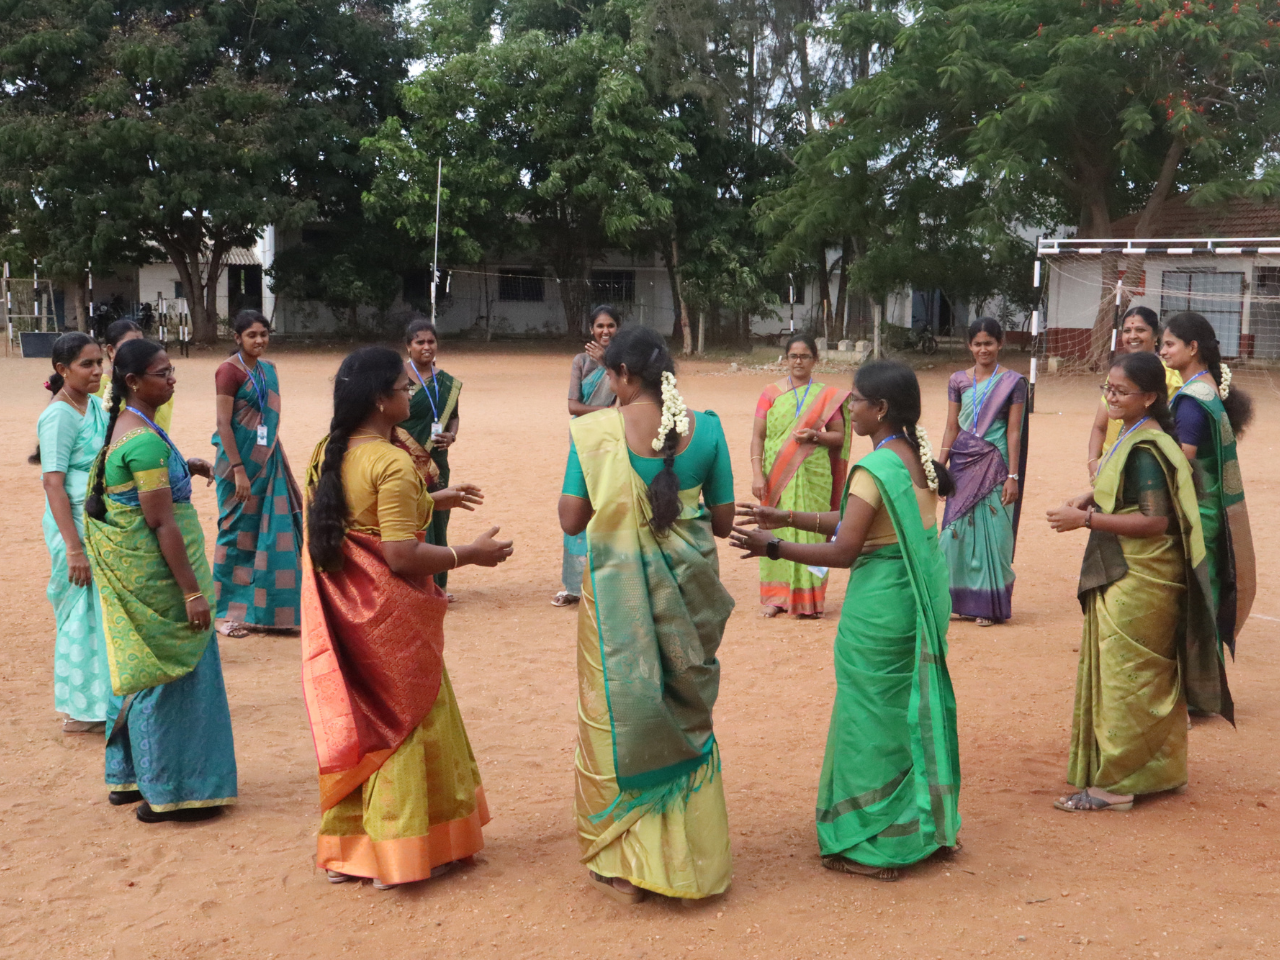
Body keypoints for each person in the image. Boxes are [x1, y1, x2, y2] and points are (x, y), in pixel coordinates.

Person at [732, 360, 960, 881]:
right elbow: (860, 520)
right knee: (903, 711)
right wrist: (787, 516)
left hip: (879, 610)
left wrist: (773, 546)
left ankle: (870, 841)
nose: (848, 408)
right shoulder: (914, 457)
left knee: (868, 717)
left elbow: (847, 547)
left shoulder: (875, 467)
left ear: (880, 409)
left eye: (856, 400)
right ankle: (918, 827)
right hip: (915, 602)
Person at [303, 347, 511, 890]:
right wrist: (470, 554)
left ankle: (352, 847)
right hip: (391, 618)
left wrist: (432, 499)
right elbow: (400, 555)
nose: (411, 395)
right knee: (408, 719)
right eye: (404, 387)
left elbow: (358, 516)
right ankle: (400, 850)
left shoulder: (328, 451)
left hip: (346, 613)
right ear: (380, 400)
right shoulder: (391, 462)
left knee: (366, 721)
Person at [558, 326, 736, 903]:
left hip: (619, 602)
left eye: (609, 376)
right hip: (690, 595)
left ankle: (623, 865)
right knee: (684, 709)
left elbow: (570, 519)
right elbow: (724, 521)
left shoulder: (596, 433)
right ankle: (690, 863)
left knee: (619, 712)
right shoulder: (708, 430)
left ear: (624, 376)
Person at [1046, 351, 1229, 812]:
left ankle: (1116, 786)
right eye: (1107, 388)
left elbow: (1154, 521)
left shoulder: (1146, 449)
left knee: (1126, 679)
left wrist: (1085, 519)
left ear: (1148, 397)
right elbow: (1128, 487)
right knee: (1151, 678)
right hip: (1144, 574)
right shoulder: (1140, 434)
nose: (1111, 397)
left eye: (1121, 391)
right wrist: (1092, 493)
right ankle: (1159, 771)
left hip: (1138, 579)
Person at [84, 339, 237, 823]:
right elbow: (160, 522)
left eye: (172, 371)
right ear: (132, 381)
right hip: (165, 584)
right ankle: (171, 790)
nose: (172, 380)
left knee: (139, 673)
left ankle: (129, 777)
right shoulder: (145, 442)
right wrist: (192, 592)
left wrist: (182, 467)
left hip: (145, 579)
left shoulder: (130, 427)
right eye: (162, 373)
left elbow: (132, 489)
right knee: (168, 679)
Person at [1160, 311, 1256, 653]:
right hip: (1215, 504)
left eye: (1169, 344)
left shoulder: (1191, 399)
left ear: (1193, 347)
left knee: (1196, 597)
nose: (1163, 351)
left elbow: (1181, 459)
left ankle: (1202, 675)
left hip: (1199, 508)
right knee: (1207, 590)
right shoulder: (1209, 387)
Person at [33, 333, 111, 733]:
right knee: (81, 611)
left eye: (99, 362)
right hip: (74, 527)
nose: (97, 371)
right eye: (87, 364)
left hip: (98, 520)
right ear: (62, 370)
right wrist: (74, 548)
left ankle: (104, 702)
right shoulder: (59, 416)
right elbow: (53, 483)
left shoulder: (95, 406)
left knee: (101, 612)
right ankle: (81, 709)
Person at [211, 310, 303, 638]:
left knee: (270, 533)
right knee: (235, 534)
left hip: (268, 459)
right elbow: (223, 424)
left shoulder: (268, 370)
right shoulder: (228, 371)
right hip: (238, 464)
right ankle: (224, 612)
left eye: (264, 334)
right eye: (252, 335)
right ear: (237, 338)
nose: (259, 340)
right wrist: (239, 470)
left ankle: (266, 612)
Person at [749, 333, 851, 618]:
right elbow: (758, 437)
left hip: (814, 474)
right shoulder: (770, 392)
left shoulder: (825, 396)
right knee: (776, 529)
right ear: (785, 359)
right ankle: (776, 598)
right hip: (776, 474)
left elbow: (839, 437)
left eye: (805, 356)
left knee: (812, 530)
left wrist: (815, 436)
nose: (798, 361)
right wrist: (757, 474)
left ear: (814, 360)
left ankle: (810, 600)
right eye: (793, 356)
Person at [939, 317, 1027, 626]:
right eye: (977, 344)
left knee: (995, 532)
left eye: (989, 343)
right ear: (969, 346)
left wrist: (1013, 476)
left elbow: (1014, 431)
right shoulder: (958, 380)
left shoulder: (1013, 382)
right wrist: (939, 466)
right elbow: (952, 426)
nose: (983, 349)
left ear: (1000, 343)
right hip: (962, 462)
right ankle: (954, 600)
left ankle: (987, 605)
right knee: (953, 532)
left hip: (996, 462)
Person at [554, 305, 620, 607]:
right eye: (600, 326)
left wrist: (608, 362)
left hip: (612, 441)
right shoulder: (580, 361)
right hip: (582, 441)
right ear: (591, 329)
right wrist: (606, 411)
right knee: (577, 503)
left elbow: (628, 400)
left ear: (618, 328)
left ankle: (607, 582)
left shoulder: (624, 362)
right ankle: (574, 585)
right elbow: (573, 405)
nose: (605, 331)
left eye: (610, 325)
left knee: (608, 507)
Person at [398, 318, 462, 599]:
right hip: (402, 460)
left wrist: (451, 435)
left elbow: (454, 416)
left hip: (437, 462)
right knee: (408, 518)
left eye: (431, 341)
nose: (426, 346)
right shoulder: (398, 379)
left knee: (438, 518)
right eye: (419, 342)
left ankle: (437, 586)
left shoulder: (445, 382)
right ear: (408, 346)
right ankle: (412, 583)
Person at [1086, 306, 1180, 478]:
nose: (1132, 336)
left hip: (1144, 466)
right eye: (1127, 331)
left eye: (1140, 330)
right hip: (1109, 465)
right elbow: (1100, 426)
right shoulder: (1117, 374)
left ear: (1156, 336)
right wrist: (1093, 462)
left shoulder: (1171, 378)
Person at [98, 319, 173, 432]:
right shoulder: (98, 386)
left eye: (142, 345)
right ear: (111, 350)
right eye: (130, 345)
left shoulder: (159, 384)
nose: (139, 352)